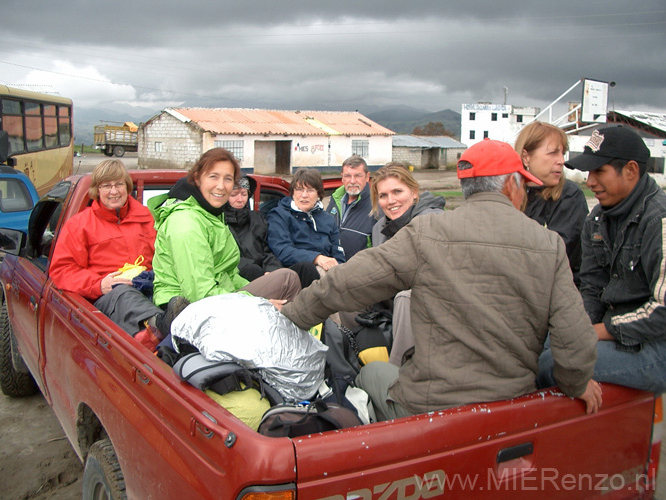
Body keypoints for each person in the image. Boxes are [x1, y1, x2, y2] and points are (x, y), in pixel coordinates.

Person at [279, 139, 602, 420]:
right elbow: (575, 342)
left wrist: (292, 315)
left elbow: (348, 282)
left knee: (369, 373)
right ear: (510, 186)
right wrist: (576, 384)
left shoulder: (428, 232)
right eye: (524, 186)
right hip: (512, 404)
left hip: (431, 408)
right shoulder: (549, 245)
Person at [538, 125, 666, 394]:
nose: (590, 181)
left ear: (631, 171)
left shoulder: (659, 221)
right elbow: (592, 287)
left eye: (599, 171)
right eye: (588, 172)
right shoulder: (597, 219)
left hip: (656, 345)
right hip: (612, 333)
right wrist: (579, 329)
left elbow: (662, 311)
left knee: (554, 363)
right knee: (538, 346)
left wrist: (597, 332)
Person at [150, 148, 301, 309]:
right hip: (188, 308)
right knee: (286, 283)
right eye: (213, 177)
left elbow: (228, 275)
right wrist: (259, 304)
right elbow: (200, 293)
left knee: (289, 277)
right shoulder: (186, 222)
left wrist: (253, 292)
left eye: (228, 179)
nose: (221, 186)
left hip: (220, 293)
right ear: (197, 178)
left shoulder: (211, 214)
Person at [49, 160, 164, 336]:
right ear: (96, 190)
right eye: (106, 186)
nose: (114, 191)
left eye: (119, 184)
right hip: (108, 298)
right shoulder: (79, 225)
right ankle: (162, 325)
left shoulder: (148, 218)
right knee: (124, 293)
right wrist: (99, 284)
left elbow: (166, 257)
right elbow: (62, 269)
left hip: (150, 287)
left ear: (127, 187)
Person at [370, 162, 446, 365]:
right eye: (383, 195)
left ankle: (399, 372)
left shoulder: (433, 221)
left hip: (434, 304)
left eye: (397, 191)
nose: (390, 201)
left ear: (414, 192)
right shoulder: (379, 228)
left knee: (406, 298)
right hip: (391, 301)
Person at [515, 121, 588, 286]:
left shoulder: (570, 196)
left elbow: (557, 256)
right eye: (553, 153)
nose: (561, 161)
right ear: (526, 156)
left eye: (562, 153)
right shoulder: (509, 193)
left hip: (556, 291)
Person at [267, 168, 346, 287]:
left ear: (319, 194)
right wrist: (316, 258)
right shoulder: (279, 215)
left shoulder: (328, 219)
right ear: (292, 192)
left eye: (310, 190)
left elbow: (338, 253)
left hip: (326, 271)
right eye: (299, 190)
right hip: (295, 273)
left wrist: (339, 268)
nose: (304, 195)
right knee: (311, 269)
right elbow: (282, 250)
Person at [223, 176, 283, 281]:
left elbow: (268, 250)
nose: (240, 199)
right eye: (234, 194)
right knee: (252, 270)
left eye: (244, 194)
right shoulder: (217, 221)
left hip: (263, 275)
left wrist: (271, 269)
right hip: (235, 280)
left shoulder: (257, 219)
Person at [327, 155, 376, 259]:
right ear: (342, 178)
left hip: (360, 271)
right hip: (332, 267)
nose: (352, 181)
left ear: (367, 177)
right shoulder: (335, 200)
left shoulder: (376, 205)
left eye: (358, 176)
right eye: (348, 176)